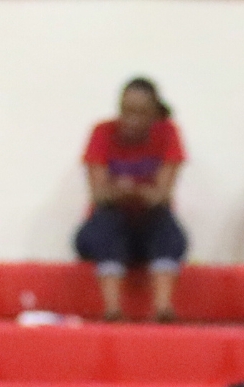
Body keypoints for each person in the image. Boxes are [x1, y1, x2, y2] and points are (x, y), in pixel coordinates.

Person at [74, 78, 188, 323]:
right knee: (108, 219)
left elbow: (162, 195)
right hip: (105, 230)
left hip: (149, 232)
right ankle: (113, 310)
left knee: (164, 223)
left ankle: (163, 309)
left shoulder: (168, 133)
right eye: (126, 111)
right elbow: (99, 194)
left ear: (154, 115)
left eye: (141, 113)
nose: (132, 120)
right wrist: (138, 191)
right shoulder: (102, 132)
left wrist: (126, 189)